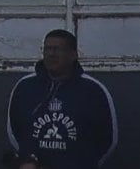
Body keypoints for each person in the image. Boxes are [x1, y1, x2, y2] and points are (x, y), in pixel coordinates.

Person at [9, 30, 117, 169]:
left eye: (57, 49)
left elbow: (108, 139)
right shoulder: (24, 87)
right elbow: (14, 131)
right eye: (47, 49)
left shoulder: (94, 90)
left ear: (73, 55)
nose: (51, 54)